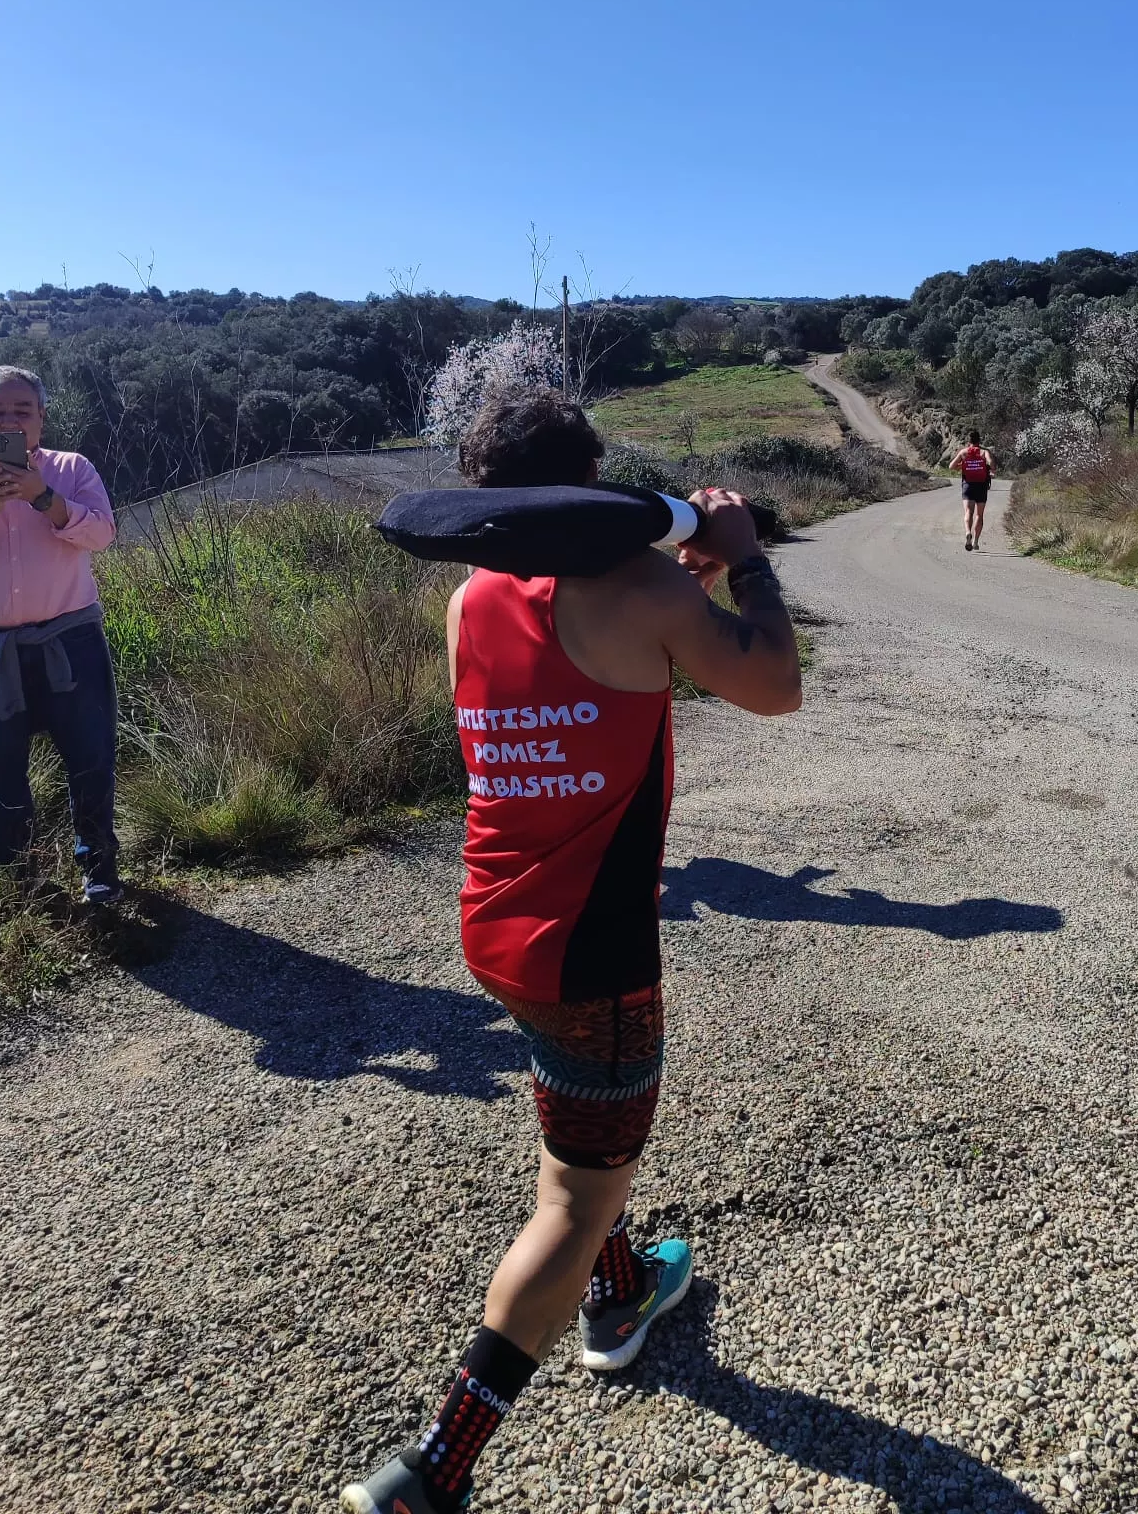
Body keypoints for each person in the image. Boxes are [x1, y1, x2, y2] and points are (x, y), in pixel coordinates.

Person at [342, 389, 801, 1514]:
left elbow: (583, 662)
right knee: (572, 1194)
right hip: (592, 946)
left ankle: (627, 1289)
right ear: (590, 474)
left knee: (579, 1123)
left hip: (495, 926)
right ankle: (430, 1468)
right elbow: (776, 686)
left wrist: (669, 588)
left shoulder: (470, 596)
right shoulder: (640, 585)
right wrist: (746, 560)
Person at [0, 365, 123, 904]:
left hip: (70, 639)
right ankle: (22, 873)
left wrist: (44, 497)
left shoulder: (71, 468)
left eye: (21, 411)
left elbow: (103, 534)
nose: (8, 420)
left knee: (90, 753)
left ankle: (99, 869)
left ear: (40, 420)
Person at [949, 432, 995, 551]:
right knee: (979, 515)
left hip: (968, 485)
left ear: (969, 441)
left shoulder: (963, 452)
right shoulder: (984, 452)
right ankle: (975, 541)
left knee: (968, 512)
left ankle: (968, 532)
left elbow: (951, 466)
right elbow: (992, 464)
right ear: (979, 441)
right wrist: (988, 466)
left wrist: (963, 465)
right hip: (981, 485)